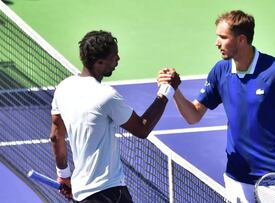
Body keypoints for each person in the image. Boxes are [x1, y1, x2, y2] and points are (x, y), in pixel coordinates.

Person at [158, 10, 275, 203]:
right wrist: (175, 91)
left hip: (274, 180)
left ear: (241, 39)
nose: (217, 43)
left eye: (223, 37)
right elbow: (193, 115)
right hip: (237, 178)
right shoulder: (220, 71)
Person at [50, 30, 180, 202]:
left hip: (82, 194)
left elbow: (55, 136)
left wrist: (63, 175)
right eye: (114, 56)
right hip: (110, 194)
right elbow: (142, 129)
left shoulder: (63, 88)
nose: (118, 59)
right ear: (100, 62)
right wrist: (167, 90)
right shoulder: (106, 96)